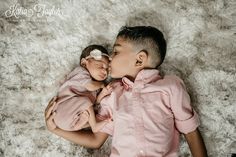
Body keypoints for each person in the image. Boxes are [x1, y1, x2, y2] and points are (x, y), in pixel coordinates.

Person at [45, 26, 208, 157]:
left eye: (115, 52)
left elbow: (191, 132)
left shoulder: (170, 87)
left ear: (139, 59)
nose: (109, 58)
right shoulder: (113, 93)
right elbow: (95, 140)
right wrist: (55, 129)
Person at [50, 45, 112, 133]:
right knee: (86, 102)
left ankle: (86, 124)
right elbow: (90, 86)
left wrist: (103, 93)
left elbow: (95, 103)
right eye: (100, 66)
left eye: (107, 69)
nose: (105, 71)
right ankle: (94, 126)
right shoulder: (81, 72)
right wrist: (102, 85)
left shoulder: (96, 87)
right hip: (62, 110)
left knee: (89, 110)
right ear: (84, 63)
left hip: (70, 122)